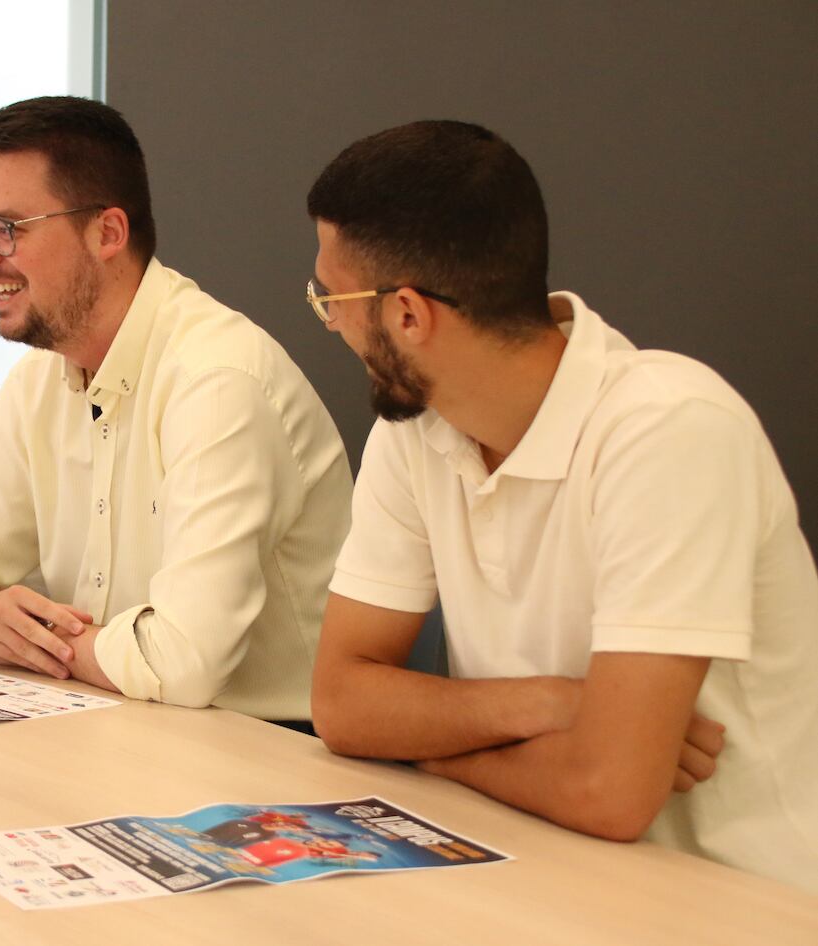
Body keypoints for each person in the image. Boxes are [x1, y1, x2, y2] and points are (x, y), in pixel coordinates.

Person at [307, 120, 818, 890]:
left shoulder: (668, 429)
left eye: (332, 298)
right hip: (546, 867)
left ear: (408, 314)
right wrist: (551, 705)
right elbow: (342, 704)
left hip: (739, 895)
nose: (331, 321)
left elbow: (608, 793)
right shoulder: (416, 433)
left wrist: (427, 743)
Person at [0, 96, 352, 725]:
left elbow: (183, 662)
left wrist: (35, 644)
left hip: (263, 751)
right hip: (113, 716)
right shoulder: (38, 377)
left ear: (107, 233)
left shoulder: (217, 379)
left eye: (6, 229)